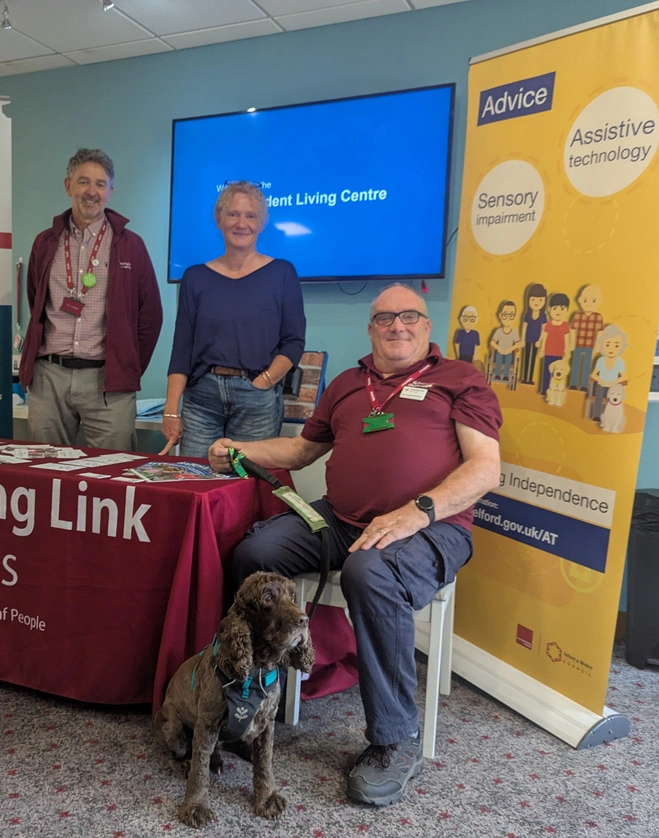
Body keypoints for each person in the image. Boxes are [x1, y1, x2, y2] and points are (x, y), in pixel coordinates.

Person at [207, 284, 501, 808]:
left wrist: (418, 512)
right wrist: (239, 448)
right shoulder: (347, 383)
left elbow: (486, 467)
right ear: (371, 328)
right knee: (254, 555)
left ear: (427, 326)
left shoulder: (459, 380)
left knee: (370, 572)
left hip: (432, 528)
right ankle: (248, 692)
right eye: (384, 318)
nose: (397, 327)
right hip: (339, 520)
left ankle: (393, 739)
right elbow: (300, 451)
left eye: (409, 316)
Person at [19, 148, 163, 450]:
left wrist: (127, 366)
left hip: (107, 382)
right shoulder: (45, 242)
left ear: (111, 192)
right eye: (83, 182)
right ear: (68, 185)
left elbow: (150, 317)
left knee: (112, 476)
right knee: (46, 472)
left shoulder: (131, 246)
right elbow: (36, 300)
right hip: (50, 378)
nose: (91, 192)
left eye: (100, 184)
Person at [162, 181, 305, 460]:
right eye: (233, 214)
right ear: (219, 219)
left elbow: (293, 341)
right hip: (201, 400)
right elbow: (181, 351)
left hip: (256, 400)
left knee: (247, 486)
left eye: (250, 215)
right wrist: (170, 410)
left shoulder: (282, 273)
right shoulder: (195, 278)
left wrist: (264, 381)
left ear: (262, 223)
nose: (242, 223)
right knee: (195, 480)